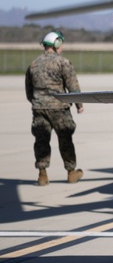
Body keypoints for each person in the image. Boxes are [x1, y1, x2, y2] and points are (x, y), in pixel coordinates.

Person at [25, 31, 85, 186]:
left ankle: (42, 175)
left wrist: (38, 103)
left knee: (41, 141)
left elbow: (29, 91)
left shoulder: (33, 64)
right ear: (57, 44)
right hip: (59, 109)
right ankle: (71, 172)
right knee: (65, 139)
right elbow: (73, 86)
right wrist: (79, 104)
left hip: (39, 109)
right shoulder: (63, 63)